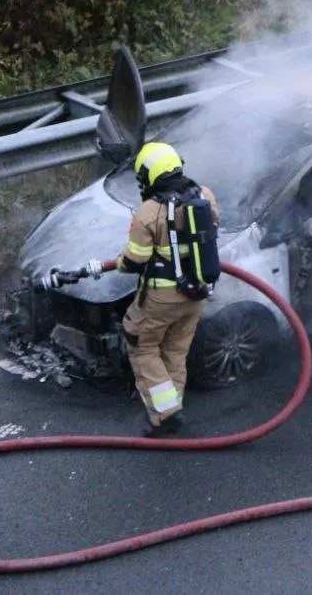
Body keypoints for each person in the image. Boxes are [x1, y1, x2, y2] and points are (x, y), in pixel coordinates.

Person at [110, 141, 219, 437]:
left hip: (162, 297)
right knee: (175, 350)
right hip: (196, 292)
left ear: (149, 176)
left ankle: (165, 414)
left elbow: (135, 260)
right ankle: (171, 409)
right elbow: (214, 227)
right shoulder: (204, 195)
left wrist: (119, 262)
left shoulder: (148, 212)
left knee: (142, 345)